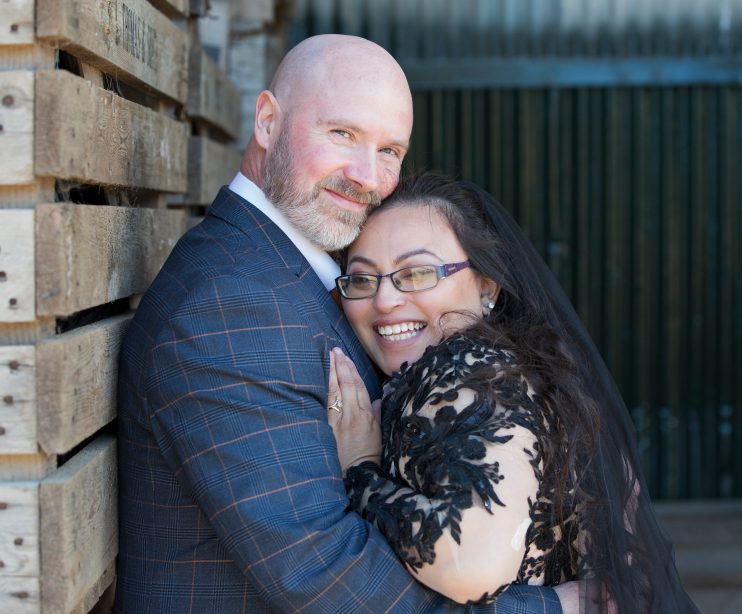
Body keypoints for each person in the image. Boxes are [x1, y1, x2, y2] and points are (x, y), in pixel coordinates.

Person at [115, 35, 570, 612]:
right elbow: (326, 575)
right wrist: (552, 606)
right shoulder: (229, 305)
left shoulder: (299, 270)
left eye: (390, 150)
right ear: (266, 121)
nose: (366, 176)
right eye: (342, 134)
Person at [327, 172, 700, 613]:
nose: (385, 299)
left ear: (487, 285)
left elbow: (471, 564)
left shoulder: (466, 371)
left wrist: (359, 468)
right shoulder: (533, 369)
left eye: (418, 272)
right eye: (363, 279)